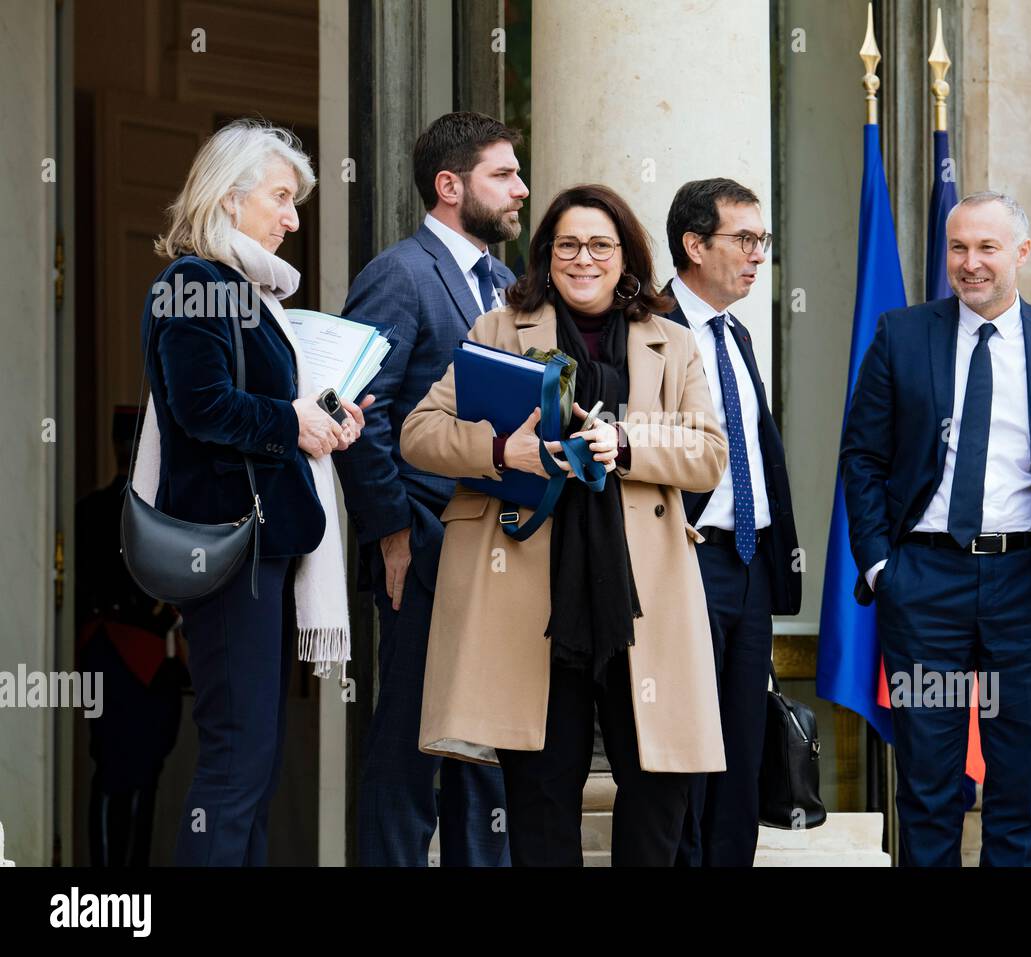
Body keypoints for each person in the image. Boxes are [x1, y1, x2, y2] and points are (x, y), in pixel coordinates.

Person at [400, 184, 728, 867]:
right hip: (533, 601)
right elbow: (419, 434)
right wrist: (499, 450)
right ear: (545, 256)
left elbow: (709, 452)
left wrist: (629, 445)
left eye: (601, 245)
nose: (584, 259)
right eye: (568, 245)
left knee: (660, 789)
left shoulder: (670, 340)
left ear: (626, 256)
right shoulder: (497, 330)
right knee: (542, 799)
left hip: (642, 602)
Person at [840, 191, 1031, 866]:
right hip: (925, 584)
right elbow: (863, 458)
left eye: (987, 248)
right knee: (929, 787)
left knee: (1018, 789)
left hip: (1030, 585)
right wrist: (884, 565)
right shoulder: (901, 335)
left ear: (1021, 254)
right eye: (958, 248)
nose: (970, 264)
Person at [136, 119, 370, 866]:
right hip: (228, 547)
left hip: (260, 544)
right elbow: (201, 407)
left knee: (253, 766)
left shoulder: (246, 293)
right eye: (280, 198)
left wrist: (325, 419)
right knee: (237, 763)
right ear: (229, 198)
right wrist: (291, 420)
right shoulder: (194, 283)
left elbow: (254, 406)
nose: (293, 217)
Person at [334, 112, 525, 867]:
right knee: (411, 745)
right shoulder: (400, 274)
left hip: (496, 553)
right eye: (503, 174)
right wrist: (391, 532)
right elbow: (359, 416)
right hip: (423, 547)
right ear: (450, 186)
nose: (521, 188)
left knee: (482, 751)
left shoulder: (509, 283)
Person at [659, 179, 801, 866]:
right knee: (683, 749)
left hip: (747, 565)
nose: (757, 255)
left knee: (741, 753)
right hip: (683, 561)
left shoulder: (736, 332)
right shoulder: (649, 326)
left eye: (761, 240)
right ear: (694, 244)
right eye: (743, 239)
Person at [76, 405, 187, 867]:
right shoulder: (156, 514)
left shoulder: (89, 510)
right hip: (138, 658)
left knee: (116, 770)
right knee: (138, 773)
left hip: (106, 655)